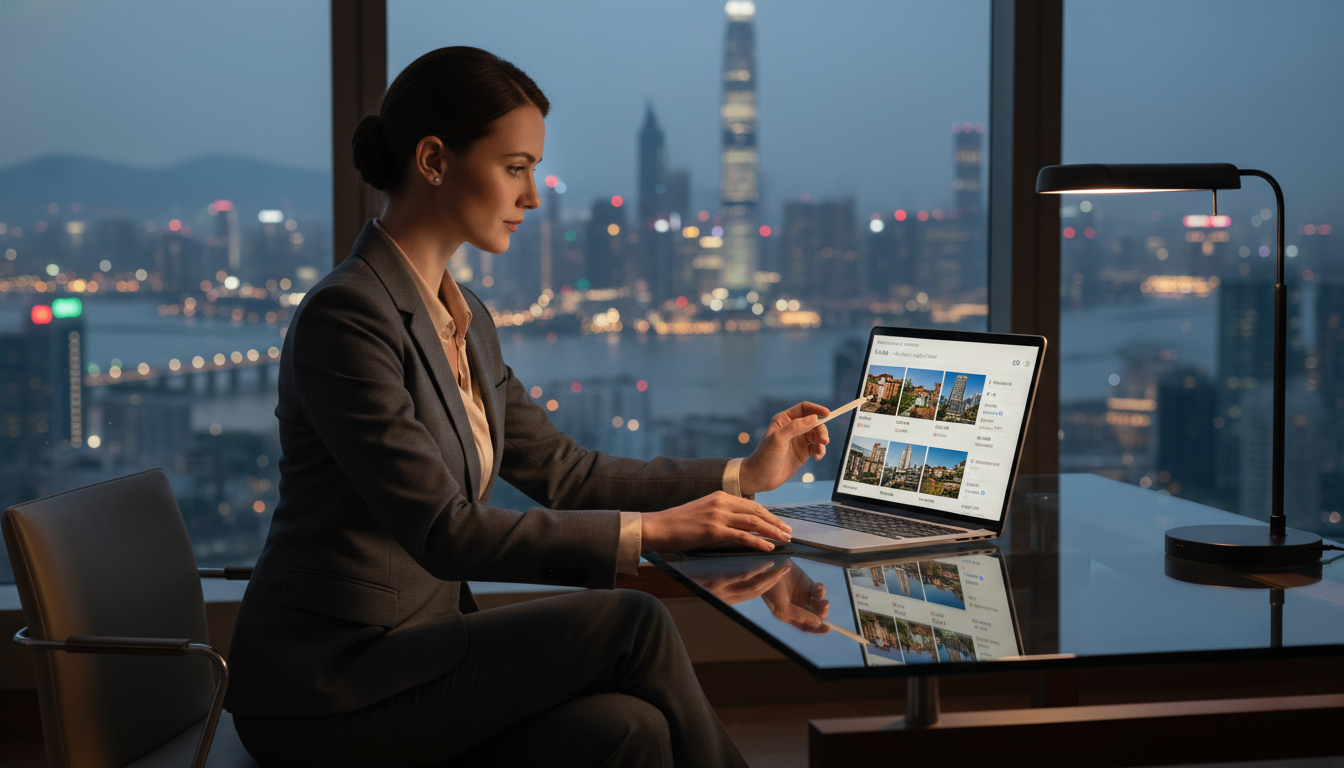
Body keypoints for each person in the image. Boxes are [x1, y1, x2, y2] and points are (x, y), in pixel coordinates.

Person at [224, 46, 831, 768]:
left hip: (419, 656)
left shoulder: (467, 319)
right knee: (633, 623)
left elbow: (566, 473)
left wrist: (743, 476)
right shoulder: (347, 319)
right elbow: (444, 532)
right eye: (515, 168)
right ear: (433, 160)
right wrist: (656, 530)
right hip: (327, 691)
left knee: (632, 729)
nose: (534, 195)